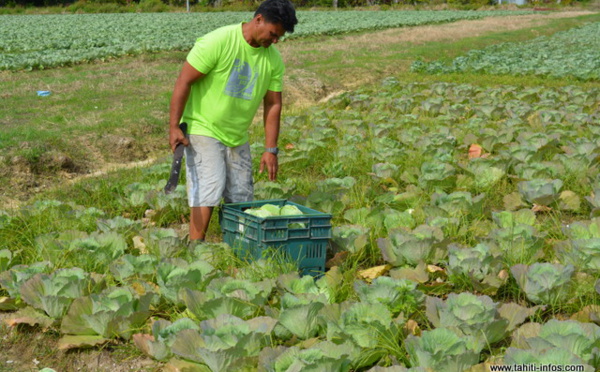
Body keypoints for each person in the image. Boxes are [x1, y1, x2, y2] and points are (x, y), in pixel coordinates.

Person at [168, 0, 298, 242]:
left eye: (280, 37)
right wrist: (174, 126)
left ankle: (237, 248)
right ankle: (196, 248)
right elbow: (184, 81)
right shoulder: (218, 41)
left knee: (241, 195)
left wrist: (271, 149)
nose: (276, 40)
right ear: (258, 19)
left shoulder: (273, 60)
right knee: (209, 187)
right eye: (273, 34)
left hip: (237, 134)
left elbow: (273, 104)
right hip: (203, 127)